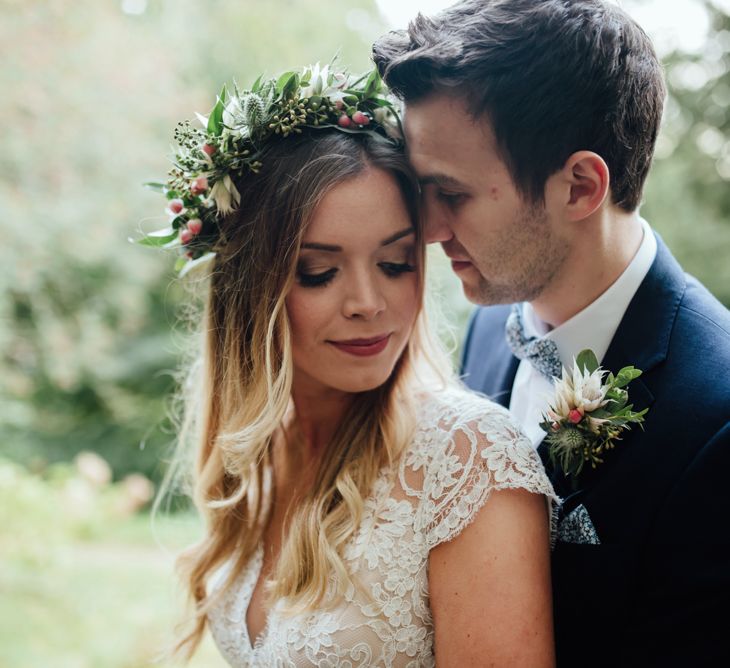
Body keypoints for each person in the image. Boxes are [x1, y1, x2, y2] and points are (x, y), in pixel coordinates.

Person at [143, 64, 557, 666]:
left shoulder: (466, 462)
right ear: (249, 291)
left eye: (395, 263)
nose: (369, 304)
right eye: (319, 272)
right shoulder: (257, 455)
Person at [373, 0, 730, 666]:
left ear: (579, 187)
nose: (427, 228)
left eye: (451, 194)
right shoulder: (484, 330)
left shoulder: (716, 421)